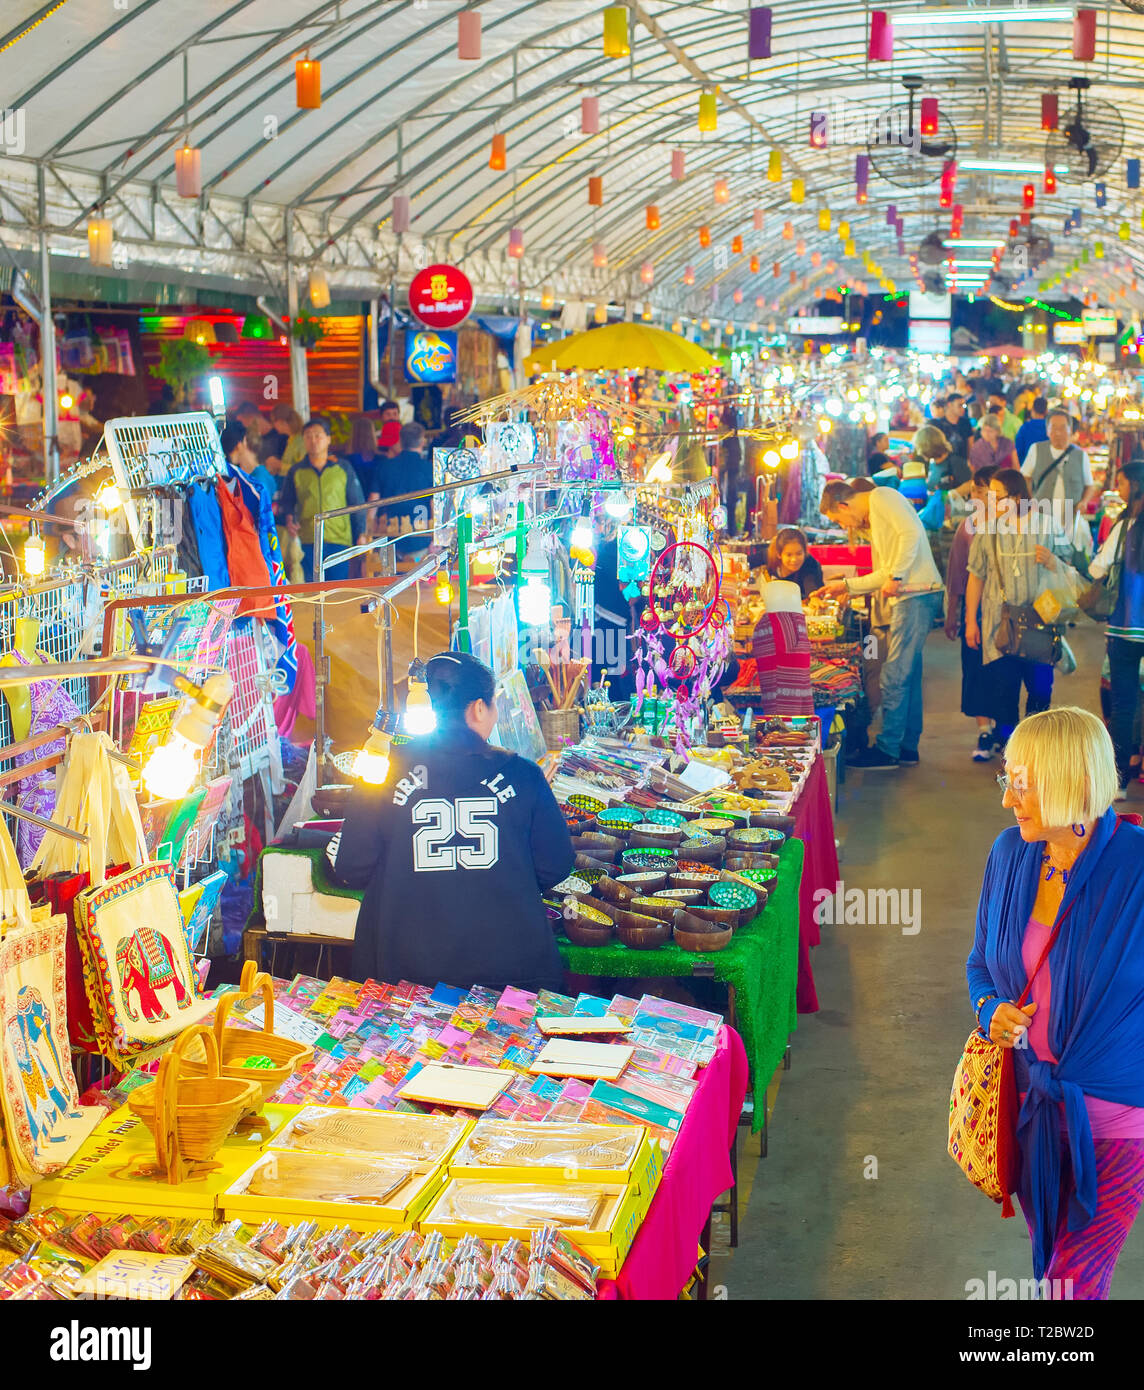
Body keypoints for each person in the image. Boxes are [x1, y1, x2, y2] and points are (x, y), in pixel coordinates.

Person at [966, 707, 1144, 1299]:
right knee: (1053, 1272)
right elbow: (980, 966)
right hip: (1035, 1111)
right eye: (1007, 781)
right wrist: (989, 1008)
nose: (1007, 800)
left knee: (1072, 1280)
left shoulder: (1137, 870)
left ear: (1072, 780)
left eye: (1022, 783)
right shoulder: (1010, 855)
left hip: (1120, 1123)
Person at [331, 651, 574, 992]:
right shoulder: (524, 775)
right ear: (478, 707)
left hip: (403, 971)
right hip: (509, 970)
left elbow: (352, 867)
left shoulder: (380, 773)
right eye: (494, 704)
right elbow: (557, 866)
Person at [816, 480, 944, 768]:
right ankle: (907, 746)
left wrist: (897, 576)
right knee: (907, 676)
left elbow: (910, 535)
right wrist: (846, 586)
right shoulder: (877, 514)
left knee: (895, 675)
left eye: (839, 520)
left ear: (843, 505)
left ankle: (888, 750)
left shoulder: (883, 497)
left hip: (915, 596)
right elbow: (882, 573)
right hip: (915, 596)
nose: (846, 525)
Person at [965, 468, 1066, 742]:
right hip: (999, 627)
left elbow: (1072, 567)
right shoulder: (988, 530)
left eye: (998, 497)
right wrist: (970, 622)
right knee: (1004, 695)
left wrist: (1053, 561)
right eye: (991, 497)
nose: (992, 503)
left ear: (1018, 496)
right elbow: (976, 576)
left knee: (1041, 693)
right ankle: (1011, 754)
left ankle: (1033, 747)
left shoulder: (1047, 526)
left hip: (1040, 625)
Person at [1087, 457, 1144, 797]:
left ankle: (1120, 781)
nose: (1118, 489)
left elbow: (1096, 570)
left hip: (1124, 628)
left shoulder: (1123, 528)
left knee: (1123, 703)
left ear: (1135, 485)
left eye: (1121, 483)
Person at [945, 466, 999, 761]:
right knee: (976, 669)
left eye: (983, 490)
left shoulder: (1014, 524)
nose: (977, 495)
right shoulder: (968, 526)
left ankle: (1004, 727)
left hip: (1004, 610)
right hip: (974, 608)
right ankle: (984, 730)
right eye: (975, 490)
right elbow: (956, 572)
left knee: (1002, 669)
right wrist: (954, 612)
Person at [276, 416, 365, 581]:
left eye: (318, 435)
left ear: (328, 439)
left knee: (337, 593)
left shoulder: (343, 468)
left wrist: (361, 532)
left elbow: (357, 502)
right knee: (312, 592)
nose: (313, 440)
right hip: (308, 540)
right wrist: (289, 518)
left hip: (339, 540)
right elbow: (286, 501)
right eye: (308, 436)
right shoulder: (296, 471)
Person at [1022, 410, 1101, 518]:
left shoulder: (1081, 455)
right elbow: (1025, 478)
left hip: (1069, 518)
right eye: (1053, 427)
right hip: (1042, 516)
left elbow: (1089, 486)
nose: (1058, 432)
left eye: (1063, 427)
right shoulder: (1036, 449)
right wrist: (1030, 500)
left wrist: (1084, 502)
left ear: (1070, 430)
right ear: (1047, 431)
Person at [377, 421, 433, 539]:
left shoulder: (385, 466)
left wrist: (367, 533)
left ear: (400, 441)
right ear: (422, 442)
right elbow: (434, 503)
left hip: (390, 535)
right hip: (421, 535)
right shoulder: (430, 468)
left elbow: (373, 500)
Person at [218, 422, 277, 501]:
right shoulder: (256, 475)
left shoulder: (259, 479)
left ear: (243, 442)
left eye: (232, 448)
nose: (228, 455)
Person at [763, 527, 824, 599]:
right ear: (779, 554)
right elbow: (748, 562)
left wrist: (814, 597)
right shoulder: (769, 559)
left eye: (799, 554)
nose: (794, 559)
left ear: (804, 552)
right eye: (789, 555)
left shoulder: (810, 564)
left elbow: (811, 587)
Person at [268, 404, 306, 475]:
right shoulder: (291, 440)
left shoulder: (301, 440)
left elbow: (304, 469)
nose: (273, 425)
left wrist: (279, 465)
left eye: (274, 421)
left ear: (282, 421)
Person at [1015, 395, 1049, 465]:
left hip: (1028, 466)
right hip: (1046, 466)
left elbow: (1018, 450)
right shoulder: (1050, 427)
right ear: (1046, 411)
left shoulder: (1025, 427)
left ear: (1032, 410)